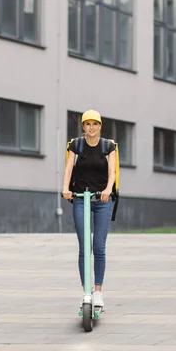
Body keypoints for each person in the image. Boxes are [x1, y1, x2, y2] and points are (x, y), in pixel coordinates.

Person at [62, 109, 116, 309]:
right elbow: (68, 169)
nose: (91, 128)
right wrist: (65, 189)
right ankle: (86, 292)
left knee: (98, 247)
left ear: (100, 126)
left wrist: (108, 189)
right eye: (87, 124)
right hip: (80, 198)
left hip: (102, 200)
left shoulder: (108, 146)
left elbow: (111, 171)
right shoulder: (76, 145)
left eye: (95, 124)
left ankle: (98, 292)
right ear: (83, 127)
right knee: (84, 247)